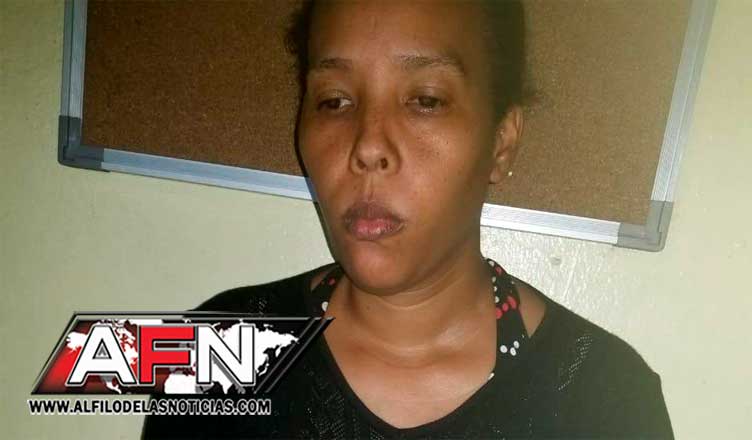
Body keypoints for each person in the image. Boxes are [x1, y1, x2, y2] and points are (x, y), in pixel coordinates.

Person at [143, 0, 673, 438]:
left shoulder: (606, 399)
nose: (368, 146)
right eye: (334, 101)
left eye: (425, 99)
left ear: (501, 142)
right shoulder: (216, 351)